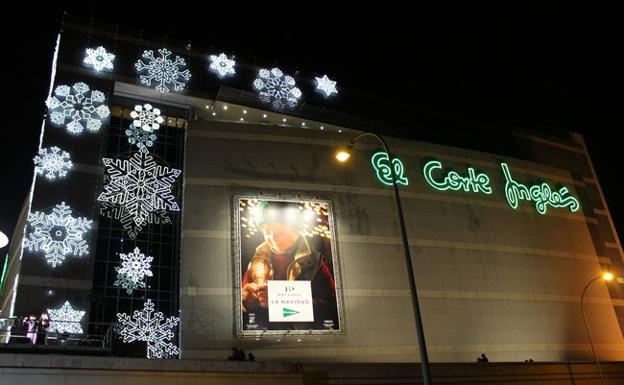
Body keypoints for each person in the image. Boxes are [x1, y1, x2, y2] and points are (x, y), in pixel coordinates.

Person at [240, 201, 338, 331]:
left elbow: (331, 308)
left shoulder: (314, 263)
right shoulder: (257, 261)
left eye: (280, 230)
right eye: (267, 231)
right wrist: (245, 302)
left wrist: (279, 301)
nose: (273, 237)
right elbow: (241, 308)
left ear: (296, 231)